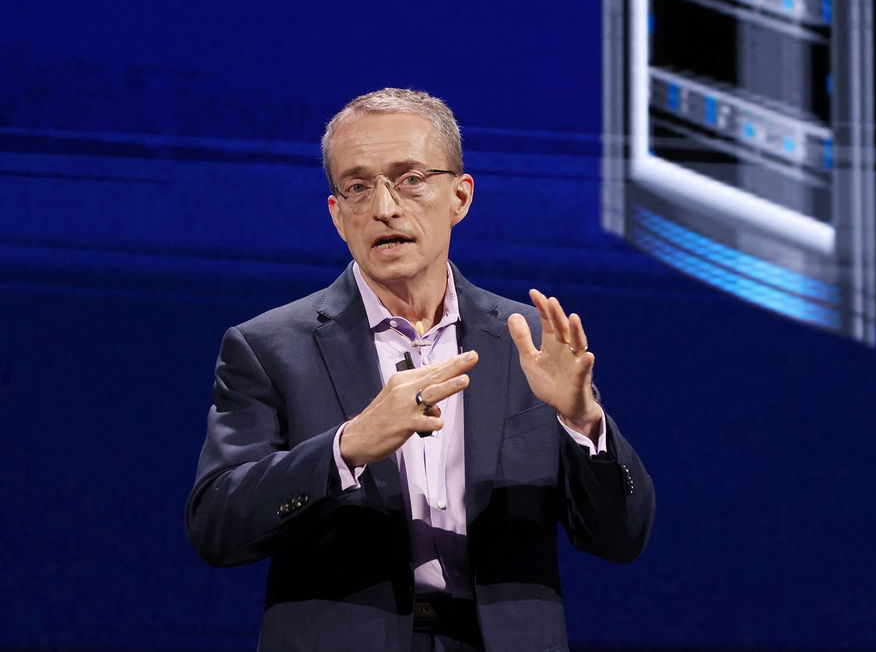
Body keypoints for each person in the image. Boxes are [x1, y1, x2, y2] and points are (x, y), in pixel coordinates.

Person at [186, 88, 654, 651]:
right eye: (358, 187)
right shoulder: (269, 347)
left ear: (460, 196)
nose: (385, 207)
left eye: (410, 179)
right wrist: (347, 447)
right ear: (337, 215)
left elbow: (621, 537)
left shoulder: (527, 341)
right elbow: (216, 525)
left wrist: (582, 422)